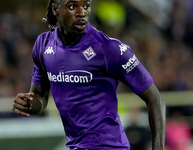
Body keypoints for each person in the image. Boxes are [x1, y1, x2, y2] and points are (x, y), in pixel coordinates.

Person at [12, 0, 166, 149]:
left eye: (86, 6)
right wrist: (29, 104)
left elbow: (155, 98)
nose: (81, 13)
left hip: (108, 147)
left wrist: (158, 147)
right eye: (73, 6)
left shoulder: (109, 48)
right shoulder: (43, 45)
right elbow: (39, 97)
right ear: (55, 9)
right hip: (75, 146)